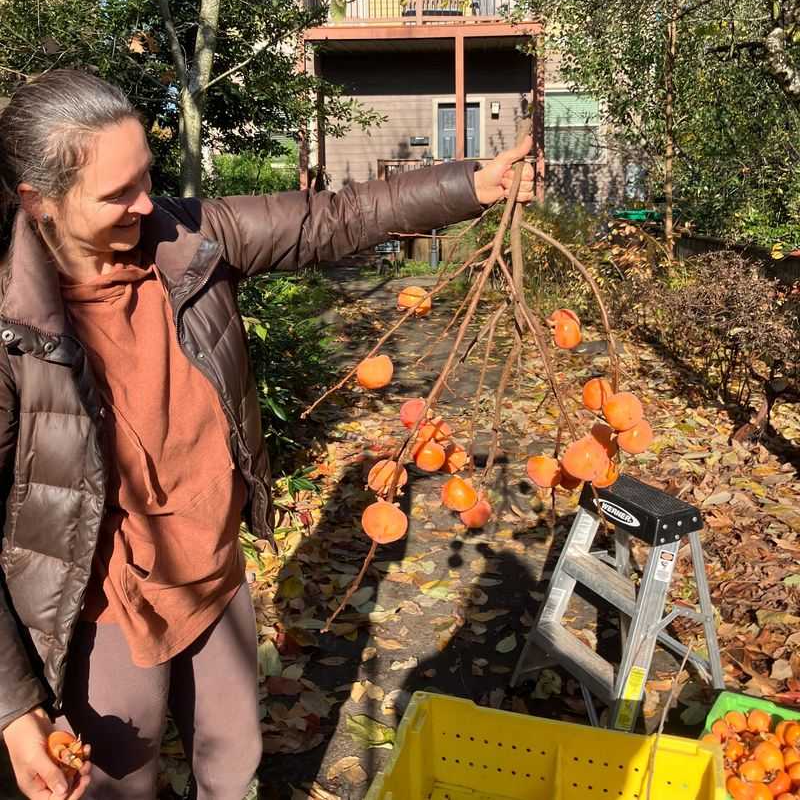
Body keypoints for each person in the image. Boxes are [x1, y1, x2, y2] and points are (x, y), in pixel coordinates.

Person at [0, 69, 534, 800]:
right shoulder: (15, 334)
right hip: (107, 611)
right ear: (40, 201)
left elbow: (329, 218)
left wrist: (473, 184)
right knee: (118, 787)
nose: (146, 203)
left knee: (236, 770)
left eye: (146, 177)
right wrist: (14, 708)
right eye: (118, 192)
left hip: (215, 576)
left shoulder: (188, 238)